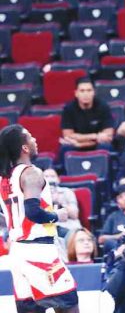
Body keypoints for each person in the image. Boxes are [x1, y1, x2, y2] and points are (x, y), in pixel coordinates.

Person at [0, 124, 79, 313]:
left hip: (18, 252)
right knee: (68, 303)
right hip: (38, 250)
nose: (35, 139)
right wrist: (57, 215)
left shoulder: (4, 179)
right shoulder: (31, 173)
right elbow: (33, 212)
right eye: (30, 136)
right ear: (24, 147)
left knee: (31, 308)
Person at [59, 76, 114, 156]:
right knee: (65, 148)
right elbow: (68, 136)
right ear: (76, 93)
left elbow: (108, 136)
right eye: (82, 91)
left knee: (105, 146)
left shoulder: (103, 106)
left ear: (94, 92)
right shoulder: (68, 109)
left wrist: (80, 144)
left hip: (93, 145)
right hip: (79, 144)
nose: (86, 94)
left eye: (89, 90)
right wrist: (95, 136)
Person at [45, 168, 82, 237]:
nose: (49, 179)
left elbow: (74, 215)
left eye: (53, 176)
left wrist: (60, 202)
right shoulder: (39, 195)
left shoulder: (67, 192)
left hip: (68, 226)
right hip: (48, 228)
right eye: (46, 176)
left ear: (58, 179)